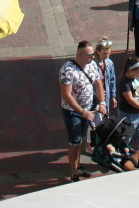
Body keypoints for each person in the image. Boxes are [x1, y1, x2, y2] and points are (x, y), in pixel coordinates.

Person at [59, 41, 106, 183]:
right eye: (90, 55)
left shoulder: (92, 65)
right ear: (80, 55)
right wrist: (82, 112)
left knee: (81, 140)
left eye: (93, 55)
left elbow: (98, 83)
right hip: (73, 112)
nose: (93, 58)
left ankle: (78, 166)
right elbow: (67, 96)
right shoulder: (67, 70)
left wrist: (102, 102)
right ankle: (74, 173)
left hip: (88, 108)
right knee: (74, 142)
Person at [94, 37, 118, 116]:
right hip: (95, 95)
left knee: (105, 115)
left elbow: (112, 80)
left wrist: (113, 96)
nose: (107, 55)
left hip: (106, 95)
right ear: (98, 51)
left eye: (109, 53)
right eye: (104, 53)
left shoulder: (109, 63)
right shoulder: (92, 65)